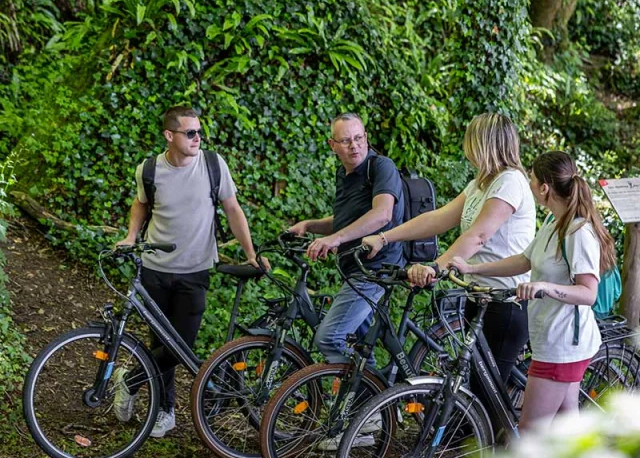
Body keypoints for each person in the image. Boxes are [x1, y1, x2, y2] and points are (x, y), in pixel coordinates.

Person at [450, 151, 616, 458]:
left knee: (533, 432)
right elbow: (523, 261)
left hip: (563, 345)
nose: (527, 185)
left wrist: (545, 287)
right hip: (555, 341)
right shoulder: (554, 223)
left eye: (530, 180)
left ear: (543, 187)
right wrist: (473, 267)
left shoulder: (578, 232)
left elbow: (588, 292)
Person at [363, 112, 535, 426]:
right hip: (480, 298)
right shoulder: (480, 183)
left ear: (485, 143)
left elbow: (478, 235)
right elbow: (439, 218)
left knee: (486, 395)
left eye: (470, 139)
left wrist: (435, 267)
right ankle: (470, 454)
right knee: (472, 385)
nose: (465, 146)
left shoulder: (510, 181)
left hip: (505, 303)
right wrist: (385, 235)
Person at [114, 105, 269, 438]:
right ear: (170, 136)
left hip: (196, 270)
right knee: (160, 341)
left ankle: (128, 380)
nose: (198, 138)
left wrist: (251, 254)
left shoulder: (213, 165)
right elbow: (141, 203)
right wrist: (131, 236)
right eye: (190, 133)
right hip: (154, 269)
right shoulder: (149, 170)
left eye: (199, 131)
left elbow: (232, 209)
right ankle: (164, 410)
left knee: (179, 344)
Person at [289, 112, 405, 365]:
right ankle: (373, 399)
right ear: (333, 146)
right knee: (359, 346)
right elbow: (344, 221)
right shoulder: (345, 175)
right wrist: (310, 225)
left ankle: (372, 391)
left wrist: (335, 239)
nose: (354, 145)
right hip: (355, 268)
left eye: (358, 138)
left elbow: (382, 214)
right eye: (345, 141)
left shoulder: (381, 166)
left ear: (366, 137)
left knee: (330, 338)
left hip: (375, 269)